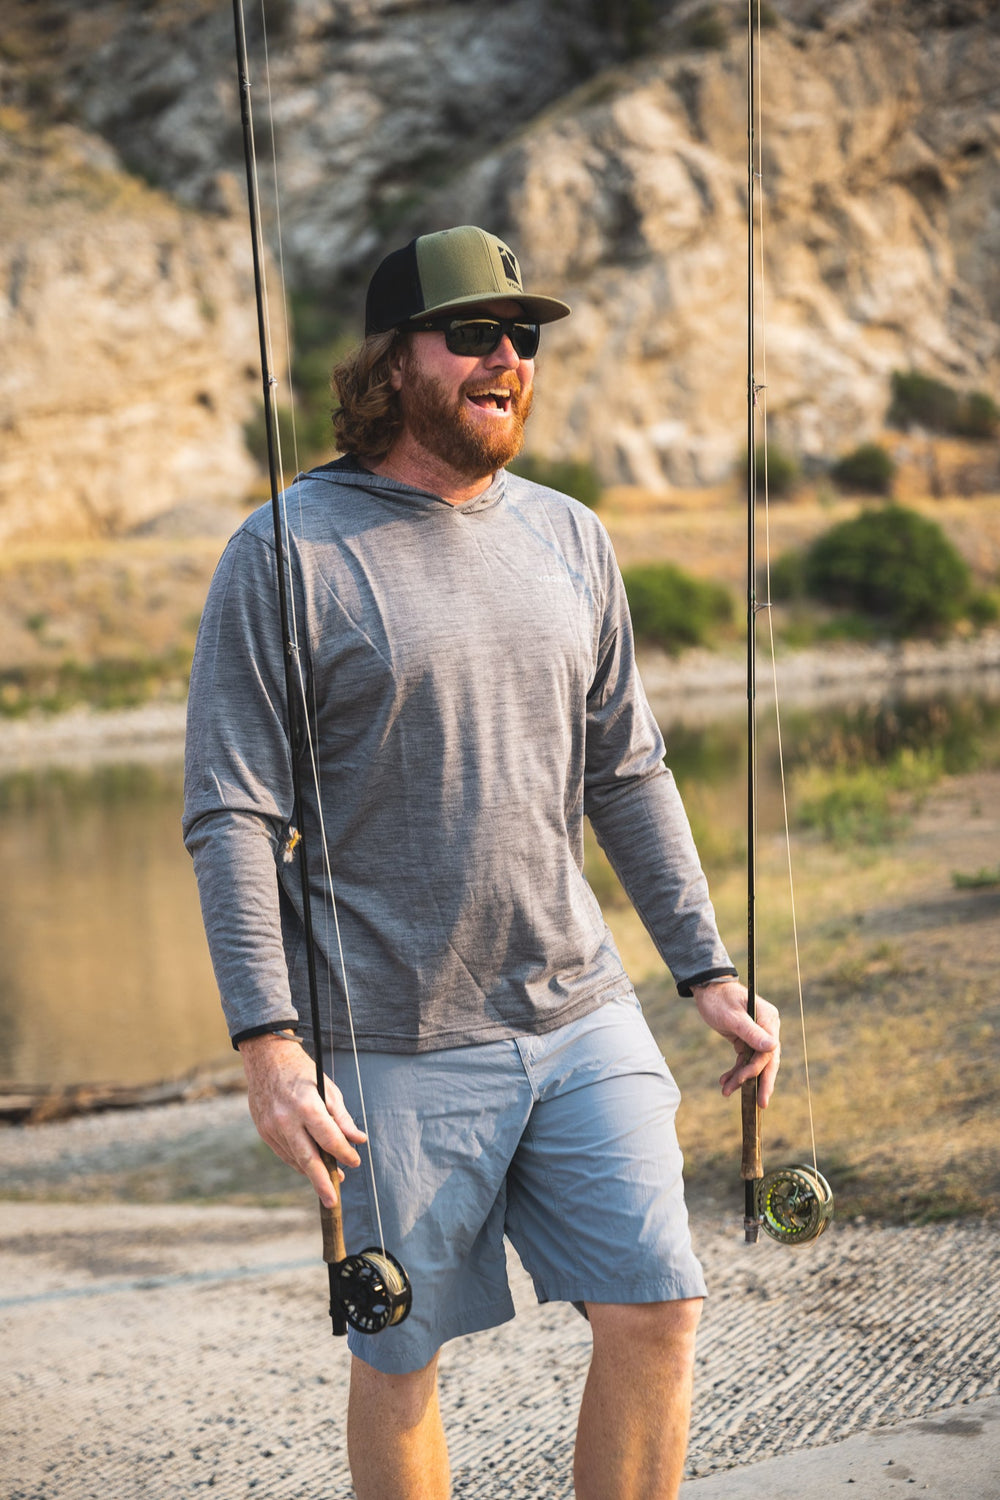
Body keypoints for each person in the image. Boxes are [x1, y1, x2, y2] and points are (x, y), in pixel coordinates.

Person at [183, 224, 780, 1500]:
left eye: (522, 337)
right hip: (390, 1039)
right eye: (472, 334)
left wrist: (708, 972)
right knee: (399, 1354)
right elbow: (232, 812)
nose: (507, 358)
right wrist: (269, 1045)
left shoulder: (571, 536)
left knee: (658, 1307)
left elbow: (626, 771)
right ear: (392, 362)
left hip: (580, 1012)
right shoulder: (284, 552)